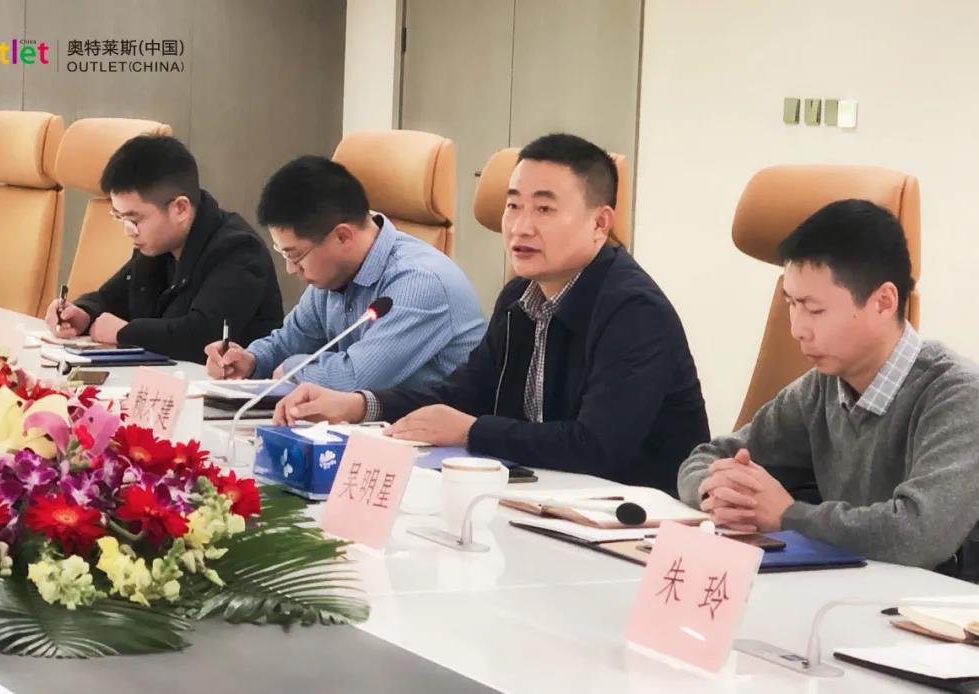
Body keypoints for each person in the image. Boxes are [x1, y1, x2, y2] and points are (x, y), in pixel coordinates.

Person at [272, 134, 709, 492]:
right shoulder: (520, 296)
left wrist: (470, 431)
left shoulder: (633, 310)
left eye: (544, 209)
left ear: (600, 223)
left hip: (629, 524)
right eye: (513, 206)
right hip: (538, 499)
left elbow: (596, 446)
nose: (521, 226)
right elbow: (463, 393)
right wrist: (358, 405)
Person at [677, 199, 979, 574]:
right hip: (855, 592)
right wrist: (719, 493)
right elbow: (706, 457)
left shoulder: (959, 397)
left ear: (883, 302)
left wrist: (787, 516)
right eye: (791, 304)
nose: (797, 329)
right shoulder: (822, 388)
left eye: (815, 309)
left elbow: (916, 536)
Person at [204, 156, 485, 392]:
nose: (291, 269)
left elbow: (354, 379)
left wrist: (289, 369)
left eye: (295, 255)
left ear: (342, 237)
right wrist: (250, 360)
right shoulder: (333, 278)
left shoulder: (420, 282)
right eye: (284, 254)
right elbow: (288, 341)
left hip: (434, 437)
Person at [45, 134, 283, 363]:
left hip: (226, 388)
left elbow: (201, 336)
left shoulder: (239, 250)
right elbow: (112, 297)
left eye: (134, 220)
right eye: (119, 217)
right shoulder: (158, 245)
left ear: (180, 208)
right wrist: (83, 313)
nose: (128, 231)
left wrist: (124, 333)